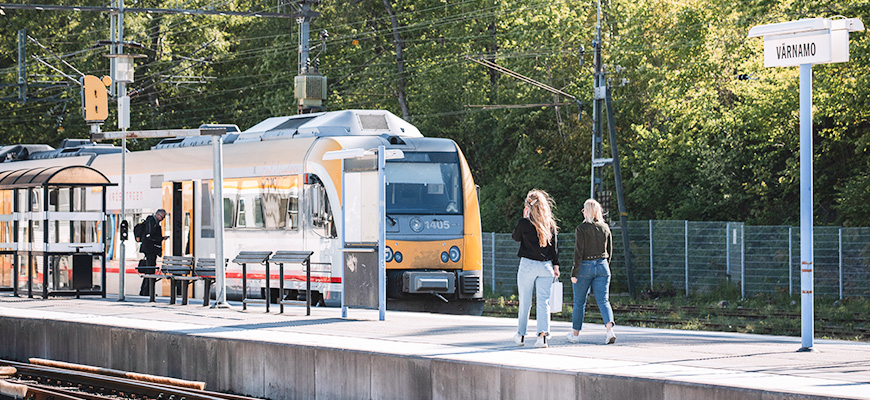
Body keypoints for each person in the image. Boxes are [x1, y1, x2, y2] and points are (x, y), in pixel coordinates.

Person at [511, 189, 560, 348]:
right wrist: (556, 266)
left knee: (525, 302)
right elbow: (554, 248)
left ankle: (521, 335)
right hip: (546, 267)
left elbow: (515, 237)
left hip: (527, 266)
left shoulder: (524, 223)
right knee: (543, 303)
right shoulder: (549, 224)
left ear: (528, 207)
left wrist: (524, 218)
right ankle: (542, 337)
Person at [566, 198, 616, 345]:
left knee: (579, 302)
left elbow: (578, 252)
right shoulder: (605, 227)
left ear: (587, 211)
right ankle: (610, 331)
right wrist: (605, 265)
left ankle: (575, 335)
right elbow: (609, 250)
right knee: (603, 300)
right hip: (603, 265)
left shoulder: (582, 228)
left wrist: (574, 273)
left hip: (585, 267)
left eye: (584, 210)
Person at [138, 209, 168, 296]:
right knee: (150, 271)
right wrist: (161, 238)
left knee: (150, 271)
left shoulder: (152, 222)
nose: (163, 219)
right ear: (158, 215)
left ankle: (146, 291)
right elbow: (150, 236)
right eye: (162, 217)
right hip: (150, 249)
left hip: (150, 249)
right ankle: (146, 292)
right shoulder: (151, 222)